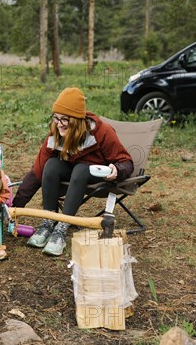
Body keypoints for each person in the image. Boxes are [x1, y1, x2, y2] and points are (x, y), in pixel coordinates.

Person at [12, 87, 133, 256]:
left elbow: (126, 162)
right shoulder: (56, 132)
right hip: (72, 171)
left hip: (95, 175)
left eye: (65, 119)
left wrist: (118, 169)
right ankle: (49, 222)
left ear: (77, 120)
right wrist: (14, 208)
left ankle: (61, 228)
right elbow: (37, 171)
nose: (59, 123)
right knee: (51, 165)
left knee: (81, 169)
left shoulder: (102, 132)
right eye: (56, 118)